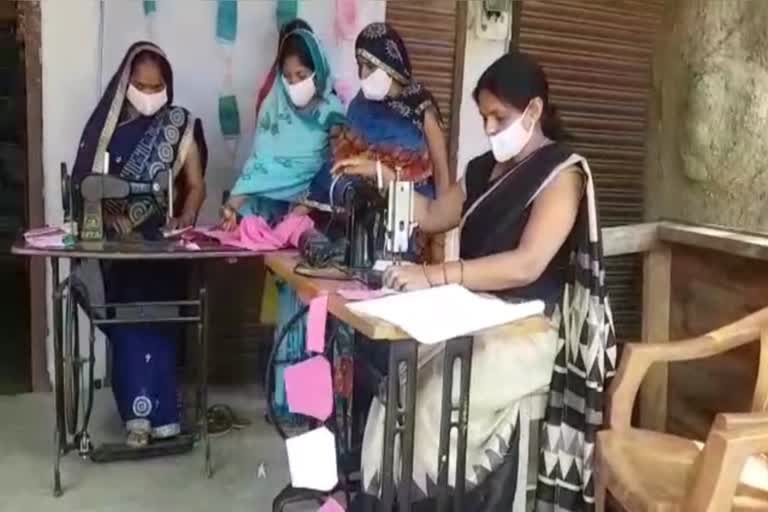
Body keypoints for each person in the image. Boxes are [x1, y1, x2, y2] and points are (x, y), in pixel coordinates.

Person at [335, 52, 616, 511]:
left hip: (531, 332)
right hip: (472, 316)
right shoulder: (483, 170)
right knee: (396, 390)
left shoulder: (562, 174)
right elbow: (431, 215)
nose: (488, 128)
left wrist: (438, 275)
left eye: (498, 117)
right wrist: (380, 174)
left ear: (534, 111)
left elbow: (528, 264)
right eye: (483, 116)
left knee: (431, 402)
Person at [71, 42, 207, 447]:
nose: (149, 94)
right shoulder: (105, 132)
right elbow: (86, 186)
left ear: (167, 85)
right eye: (141, 85)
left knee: (162, 324)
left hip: (160, 245)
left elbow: (196, 184)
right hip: (119, 249)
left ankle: (165, 414)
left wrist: (186, 218)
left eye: (157, 86)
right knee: (129, 327)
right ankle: (136, 416)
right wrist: (109, 219)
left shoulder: (178, 125)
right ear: (125, 84)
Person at [219, 26, 345, 424]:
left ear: (318, 71)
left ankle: (313, 408)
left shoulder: (335, 115)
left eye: (302, 76)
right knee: (290, 319)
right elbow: (262, 166)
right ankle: (288, 405)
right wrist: (235, 203)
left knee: (316, 319)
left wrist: (309, 208)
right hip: (281, 229)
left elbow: (340, 173)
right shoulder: (275, 108)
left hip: (322, 227)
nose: (294, 85)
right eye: (288, 77)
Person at [308, 22, 451, 262]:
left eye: (370, 67)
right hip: (360, 206)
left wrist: (439, 238)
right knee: (327, 178)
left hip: (408, 208)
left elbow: (441, 171)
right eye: (360, 66)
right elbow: (344, 155)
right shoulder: (360, 104)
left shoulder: (421, 108)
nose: (363, 75)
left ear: (391, 66)